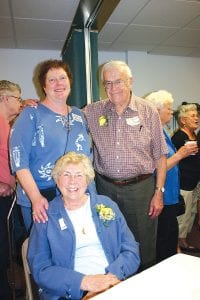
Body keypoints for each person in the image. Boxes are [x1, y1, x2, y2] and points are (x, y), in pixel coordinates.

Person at [84, 60, 168, 271]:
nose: (112, 89)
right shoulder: (94, 112)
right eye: (107, 84)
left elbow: (160, 156)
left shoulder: (148, 111)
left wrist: (158, 192)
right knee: (109, 238)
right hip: (105, 188)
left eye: (118, 82)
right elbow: (66, 116)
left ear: (130, 81)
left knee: (144, 244)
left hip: (141, 190)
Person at [27, 152, 140, 300]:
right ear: (57, 180)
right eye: (66, 175)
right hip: (70, 292)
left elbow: (131, 250)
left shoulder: (106, 205)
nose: (72, 181)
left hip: (113, 282)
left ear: (87, 180)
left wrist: (110, 279)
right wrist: (83, 283)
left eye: (79, 175)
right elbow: (40, 269)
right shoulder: (46, 215)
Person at [10, 59, 93, 233]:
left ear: (70, 82)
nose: (59, 84)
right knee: (43, 252)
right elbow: (19, 161)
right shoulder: (30, 114)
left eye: (62, 78)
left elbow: (87, 157)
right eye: (52, 80)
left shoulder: (79, 115)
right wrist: (35, 198)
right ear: (44, 86)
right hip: (41, 198)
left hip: (76, 196)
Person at [145, 90, 198, 262]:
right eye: (168, 108)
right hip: (163, 197)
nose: (171, 111)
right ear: (157, 111)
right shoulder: (153, 133)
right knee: (164, 242)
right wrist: (181, 153)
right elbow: (158, 167)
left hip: (169, 195)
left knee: (170, 237)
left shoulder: (163, 130)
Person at [0, 80, 22, 299]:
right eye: (17, 98)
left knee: (4, 249)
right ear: (5, 98)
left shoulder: (7, 124)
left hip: (7, 197)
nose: (20, 102)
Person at [172, 103, 200, 252]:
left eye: (197, 115)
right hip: (183, 184)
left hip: (194, 183)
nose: (197, 118)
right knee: (181, 217)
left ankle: (183, 241)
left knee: (190, 215)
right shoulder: (179, 137)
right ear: (183, 120)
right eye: (193, 116)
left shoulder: (194, 135)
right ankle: (176, 246)